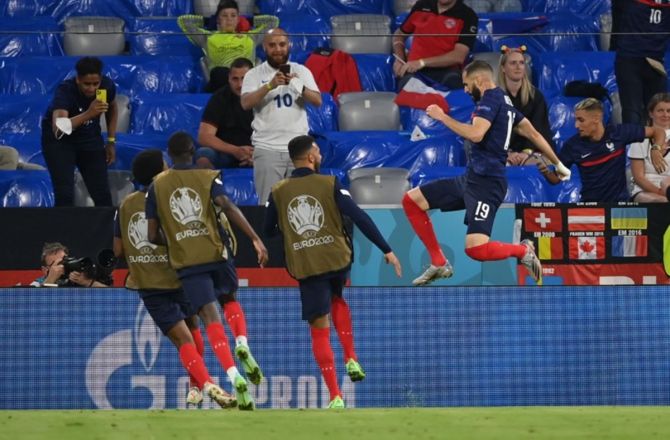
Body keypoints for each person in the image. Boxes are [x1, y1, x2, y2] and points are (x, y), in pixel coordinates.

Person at [264, 135, 402, 409]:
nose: (318, 151)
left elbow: (268, 231)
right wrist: (386, 249)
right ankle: (351, 356)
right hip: (336, 258)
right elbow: (359, 217)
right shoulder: (330, 184)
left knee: (319, 325)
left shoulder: (278, 191)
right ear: (310, 157)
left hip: (306, 262)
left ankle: (335, 395)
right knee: (337, 297)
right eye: (316, 148)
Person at [402, 60, 570, 287]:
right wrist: (558, 163)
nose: (464, 89)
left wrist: (442, 117)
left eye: (465, 84)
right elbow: (534, 134)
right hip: (471, 179)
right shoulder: (506, 102)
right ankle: (439, 262)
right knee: (411, 201)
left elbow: (476, 134)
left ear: (478, 81)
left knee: (477, 249)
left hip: (487, 185)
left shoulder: (490, 98)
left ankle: (523, 250)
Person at [146, 131, 269, 411]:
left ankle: (232, 374)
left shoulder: (156, 186)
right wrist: (254, 238)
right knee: (230, 298)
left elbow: (152, 235)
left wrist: (177, 239)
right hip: (215, 251)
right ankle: (241, 341)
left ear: (170, 154)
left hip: (187, 262)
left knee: (208, 317)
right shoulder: (208, 176)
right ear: (193, 151)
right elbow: (227, 205)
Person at [114, 149, 236, 409]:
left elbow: (117, 251)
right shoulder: (166, 195)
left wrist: (141, 259)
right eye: (165, 163)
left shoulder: (124, 206)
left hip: (149, 284)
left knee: (184, 339)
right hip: (179, 275)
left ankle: (197, 387)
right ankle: (206, 384)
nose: (170, 165)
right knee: (192, 333)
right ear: (159, 170)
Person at [241, 28, 322, 205]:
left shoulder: (301, 71)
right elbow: (246, 103)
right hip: (267, 149)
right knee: (268, 204)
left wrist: (297, 85)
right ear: (264, 47)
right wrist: (269, 86)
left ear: (289, 45)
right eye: (272, 45)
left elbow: (317, 101)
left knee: (303, 203)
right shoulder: (253, 74)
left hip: (299, 149)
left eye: (282, 44)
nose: (278, 49)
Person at [539, 97, 667, 203]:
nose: (576, 125)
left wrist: (655, 149)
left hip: (619, 206)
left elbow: (658, 131)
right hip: (591, 207)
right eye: (576, 120)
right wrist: (545, 172)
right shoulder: (572, 146)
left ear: (597, 118)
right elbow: (555, 179)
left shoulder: (618, 133)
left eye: (581, 120)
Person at [41, 56, 116, 207]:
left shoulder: (106, 86)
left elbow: (112, 107)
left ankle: (106, 230)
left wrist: (111, 141)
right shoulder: (66, 90)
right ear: (78, 80)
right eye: (87, 84)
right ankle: (63, 230)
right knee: (64, 194)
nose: (92, 88)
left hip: (89, 138)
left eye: (95, 84)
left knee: (102, 194)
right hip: (60, 142)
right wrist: (89, 113)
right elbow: (59, 128)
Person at [178, 0, 279, 91]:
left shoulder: (250, 36)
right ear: (218, 19)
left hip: (246, 82)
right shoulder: (208, 38)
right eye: (224, 16)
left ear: (238, 19)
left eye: (233, 15)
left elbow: (273, 21)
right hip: (221, 82)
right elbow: (184, 21)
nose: (229, 19)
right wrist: (208, 20)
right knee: (220, 73)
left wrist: (248, 20)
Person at [392, 0, 478, 90]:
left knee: (455, 84)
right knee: (407, 87)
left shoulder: (468, 16)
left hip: (447, 72)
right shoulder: (421, 6)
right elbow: (399, 34)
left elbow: (458, 56)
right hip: (414, 71)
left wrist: (422, 62)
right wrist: (400, 58)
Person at [611, 0, 670, 124]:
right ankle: (632, 143)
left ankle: (659, 143)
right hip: (629, 59)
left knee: (661, 113)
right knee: (632, 112)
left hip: (655, 61)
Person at [497, 45, 555, 166]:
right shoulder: (494, 97)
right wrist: (507, 153)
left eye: (521, 63)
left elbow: (539, 129)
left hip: (531, 152)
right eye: (513, 63)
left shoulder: (536, 96)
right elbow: (491, 132)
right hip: (503, 153)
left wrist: (526, 152)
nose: (518, 67)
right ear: (503, 68)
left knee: (545, 163)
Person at [196, 57, 255, 169]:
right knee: (203, 155)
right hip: (227, 153)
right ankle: (212, 186)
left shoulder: (264, 96)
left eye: (244, 79)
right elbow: (204, 136)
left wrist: (258, 155)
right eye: (235, 79)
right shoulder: (219, 98)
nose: (240, 84)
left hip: (260, 153)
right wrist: (235, 150)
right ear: (229, 79)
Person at [628, 93, 670, 202]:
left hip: (668, 188)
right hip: (644, 190)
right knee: (662, 202)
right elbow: (639, 177)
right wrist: (661, 193)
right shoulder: (639, 138)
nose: (665, 114)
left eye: (669, 111)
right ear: (651, 113)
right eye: (660, 110)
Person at [30, 242, 110, 287]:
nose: (63, 266)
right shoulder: (37, 284)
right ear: (45, 270)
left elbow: (111, 295)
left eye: (65, 260)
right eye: (58, 263)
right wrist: (50, 280)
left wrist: (87, 282)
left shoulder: (76, 278)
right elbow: (34, 306)